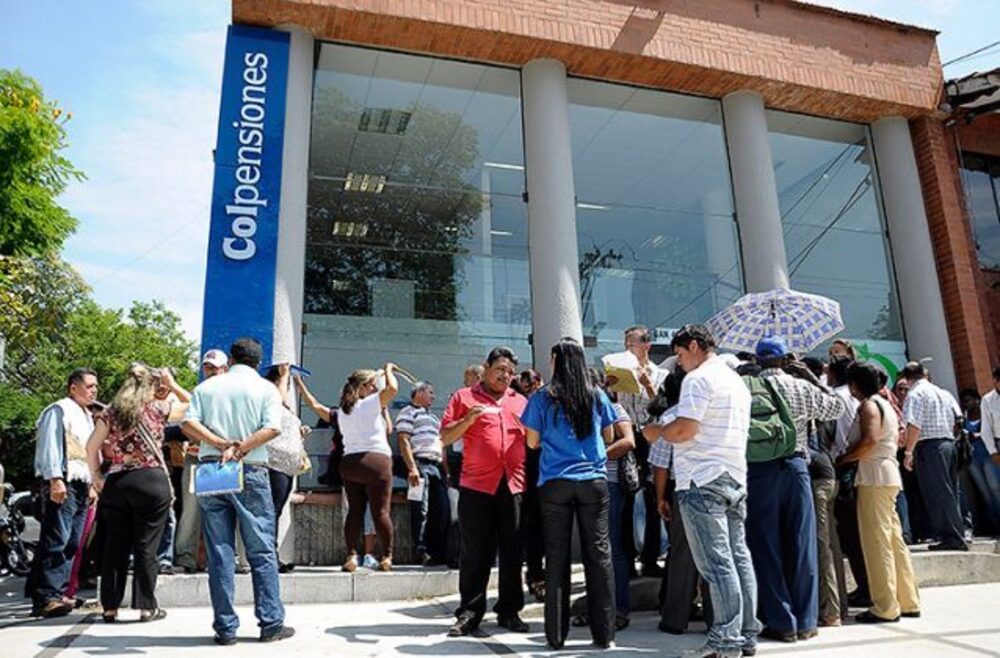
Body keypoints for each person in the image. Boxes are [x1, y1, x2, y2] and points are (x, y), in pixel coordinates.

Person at [643, 325, 759, 658]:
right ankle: (745, 635)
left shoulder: (698, 379)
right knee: (738, 559)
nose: (679, 362)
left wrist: (657, 432)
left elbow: (685, 430)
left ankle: (725, 641)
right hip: (734, 476)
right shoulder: (735, 382)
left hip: (701, 479)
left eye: (680, 354)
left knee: (716, 565)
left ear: (694, 346)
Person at [182, 337, 293, 645]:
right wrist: (241, 448)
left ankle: (225, 627)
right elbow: (273, 428)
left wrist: (220, 444)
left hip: (212, 468)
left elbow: (188, 424)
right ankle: (270, 623)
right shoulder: (266, 389)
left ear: (230, 360)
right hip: (251, 467)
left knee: (219, 551)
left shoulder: (207, 388)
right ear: (258, 362)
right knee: (261, 549)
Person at [522, 339, 617, 650]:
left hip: (555, 481)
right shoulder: (597, 394)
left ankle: (556, 636)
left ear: (555, 361)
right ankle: (604, 634)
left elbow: (532, 442)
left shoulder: (541, 397)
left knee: (557, 557)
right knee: (599, 555)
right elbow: (609, 435)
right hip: (593, 480)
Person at [751, 336, 845, 643]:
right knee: (802, 542)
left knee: (766, 544)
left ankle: (781, 621)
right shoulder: (802, 386)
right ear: (785, 359)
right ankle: (806, 620)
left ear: (758, 360)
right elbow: (836, 408)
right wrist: (813, 379)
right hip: (796, 467)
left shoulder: (748, 388)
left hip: (760, 468)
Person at [86, 364, 189, 623]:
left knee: (115, 546)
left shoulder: (110, 412)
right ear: (150, 386)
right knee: (146, 546)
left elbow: (91, 447)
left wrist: (96, 475)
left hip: (117, 481)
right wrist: (172, 384)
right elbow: (194, 404)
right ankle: (146, 607)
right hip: (151, 480)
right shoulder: (158, 408)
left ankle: (110, 607)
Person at [441, 347, 528, 637]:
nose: (505, 376)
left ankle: (509, 610)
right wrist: (467, 420)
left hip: (513, 484)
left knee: (512, 551)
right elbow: (444, 436)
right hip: (477, 485)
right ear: (486, 368)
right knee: (475, 552)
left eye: (510, 372)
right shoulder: (464, 397)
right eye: (500, 369)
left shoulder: (520, 401)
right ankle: (469, 612)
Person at [837, 362, 921, 623]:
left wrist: (844, 459)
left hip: (874, 474)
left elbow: (870, 441)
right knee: (894, 539)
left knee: (876, 541)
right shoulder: (886, 404)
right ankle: (907, 600)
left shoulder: (869, 405)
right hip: (887, 473)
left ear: (854, 385)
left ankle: (885, 606)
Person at [27, 368, 99, 617]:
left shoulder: (86, 415)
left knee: (72, 541)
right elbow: (50, 446)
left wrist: (91, 484)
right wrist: (55, 479)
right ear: (73, 388)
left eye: (95, 386)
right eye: (89, 386)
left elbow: (88, 452)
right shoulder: (58, 410)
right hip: (63, 480)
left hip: (81, 482)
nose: (94, 391)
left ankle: (59, 592)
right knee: (56, 538)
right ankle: (46, 596)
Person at [648, 369, 713, 636]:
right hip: (715, 485)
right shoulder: (712, 411)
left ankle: (675, 618)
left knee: (681, 555)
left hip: (683, 488)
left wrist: (660, 498)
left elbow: (661, 465)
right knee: (714, 553)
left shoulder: (670, 417)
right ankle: (716, 618)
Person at [614, 325, 668, 578]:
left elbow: (663, 408)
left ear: (646, 345)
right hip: (627, 435)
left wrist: (647, 386)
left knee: (652, 496)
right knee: (625, 495)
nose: (628, 348)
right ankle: (627, 559)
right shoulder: (621, 371)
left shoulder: (662, 374)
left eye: (632, 344)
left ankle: (651, 557)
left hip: (651, 436)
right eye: (626, 344)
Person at [336, 364, 399, 572]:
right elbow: (393, 389)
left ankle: (352, 555)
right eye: (372, 385)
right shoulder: (370, 403)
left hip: (349, 463)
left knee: (354, 511)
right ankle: (387, 556)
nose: (375, 389)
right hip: (375, 461)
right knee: (380, 512)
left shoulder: (343, 410)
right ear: (362, 387)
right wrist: (389, 369)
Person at [900, 362, 966, 551]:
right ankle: (956, 534)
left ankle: (951, 537)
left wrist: (908, 452)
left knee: (938, 492)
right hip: (947, 443)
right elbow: (957, 420)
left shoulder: (915, 394)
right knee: (950, 492)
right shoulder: (943, 392)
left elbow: (914, 424)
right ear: (923, 373)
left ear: (907, 378)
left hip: (929, 447)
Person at [175, 349, 229, 574]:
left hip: (222, 460)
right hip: (197, 458)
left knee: (221, 511)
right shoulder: (197, 393)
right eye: (207, 367)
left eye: (215, 367)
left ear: (225, 369)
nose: (211, 371)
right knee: (191, 511)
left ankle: (219, 559)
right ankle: (185, 558)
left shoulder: (232, 394)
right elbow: (187, 427)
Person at [396, 381, 451, 567]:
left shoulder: (434, 418)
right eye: (430, 392)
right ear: (418, 392)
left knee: (441, 510)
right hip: (419, 463)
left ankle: (438, 552)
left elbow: (442, 445)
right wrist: (412, 468)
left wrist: (446, 472)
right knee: (421, 508)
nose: (433, 396)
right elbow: (403, 440)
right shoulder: (407, 412)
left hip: (436, 466)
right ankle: (422, 550)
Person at [264, 365, 308, 573]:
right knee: (271, 511)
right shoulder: (270, 400)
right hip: (274, 464)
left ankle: (272, 555)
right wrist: (284, 375)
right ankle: (269, 557)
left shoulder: (285, 407)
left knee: (276, 511)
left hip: (287, 468)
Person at [515, 369, 547, 601]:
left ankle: (538, 575)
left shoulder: (544, 403)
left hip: (544, 472)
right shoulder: (524, 406)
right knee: (534, 527)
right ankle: (535, 575)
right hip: (528, 473)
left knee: (541, 528)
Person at [448, 364, 484, 488]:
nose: (464, 382)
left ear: (478, 378)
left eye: (467, 378)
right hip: (461, 453)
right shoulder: (461, 397)